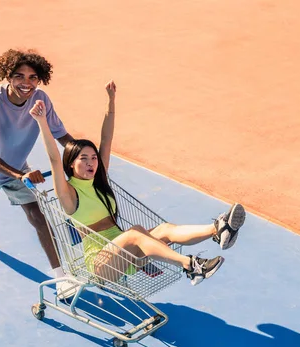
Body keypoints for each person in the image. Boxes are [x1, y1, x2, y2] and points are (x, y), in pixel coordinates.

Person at [29, 80, 246, 287]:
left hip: (127, 252)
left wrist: (111, 101)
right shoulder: (69, 194)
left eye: (93, 157)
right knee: (135, 233)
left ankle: (218, 229)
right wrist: (42, 122)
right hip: (101, 263)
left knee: (164, 229)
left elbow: (106, 140)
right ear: (70, 165)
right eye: (83, 159)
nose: (91, 162)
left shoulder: (98, 181)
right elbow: (54, 159)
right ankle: (190, 266)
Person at [0, 48, 75, 296]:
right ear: (7, 76)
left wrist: (82, 154)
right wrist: (20, 175)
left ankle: (61, 277)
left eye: (32, 77)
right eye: (19, 76)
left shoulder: (41, 99)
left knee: (38, 216)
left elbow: (60, 133)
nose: (26, 83)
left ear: (39, 79)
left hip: (17, 167)